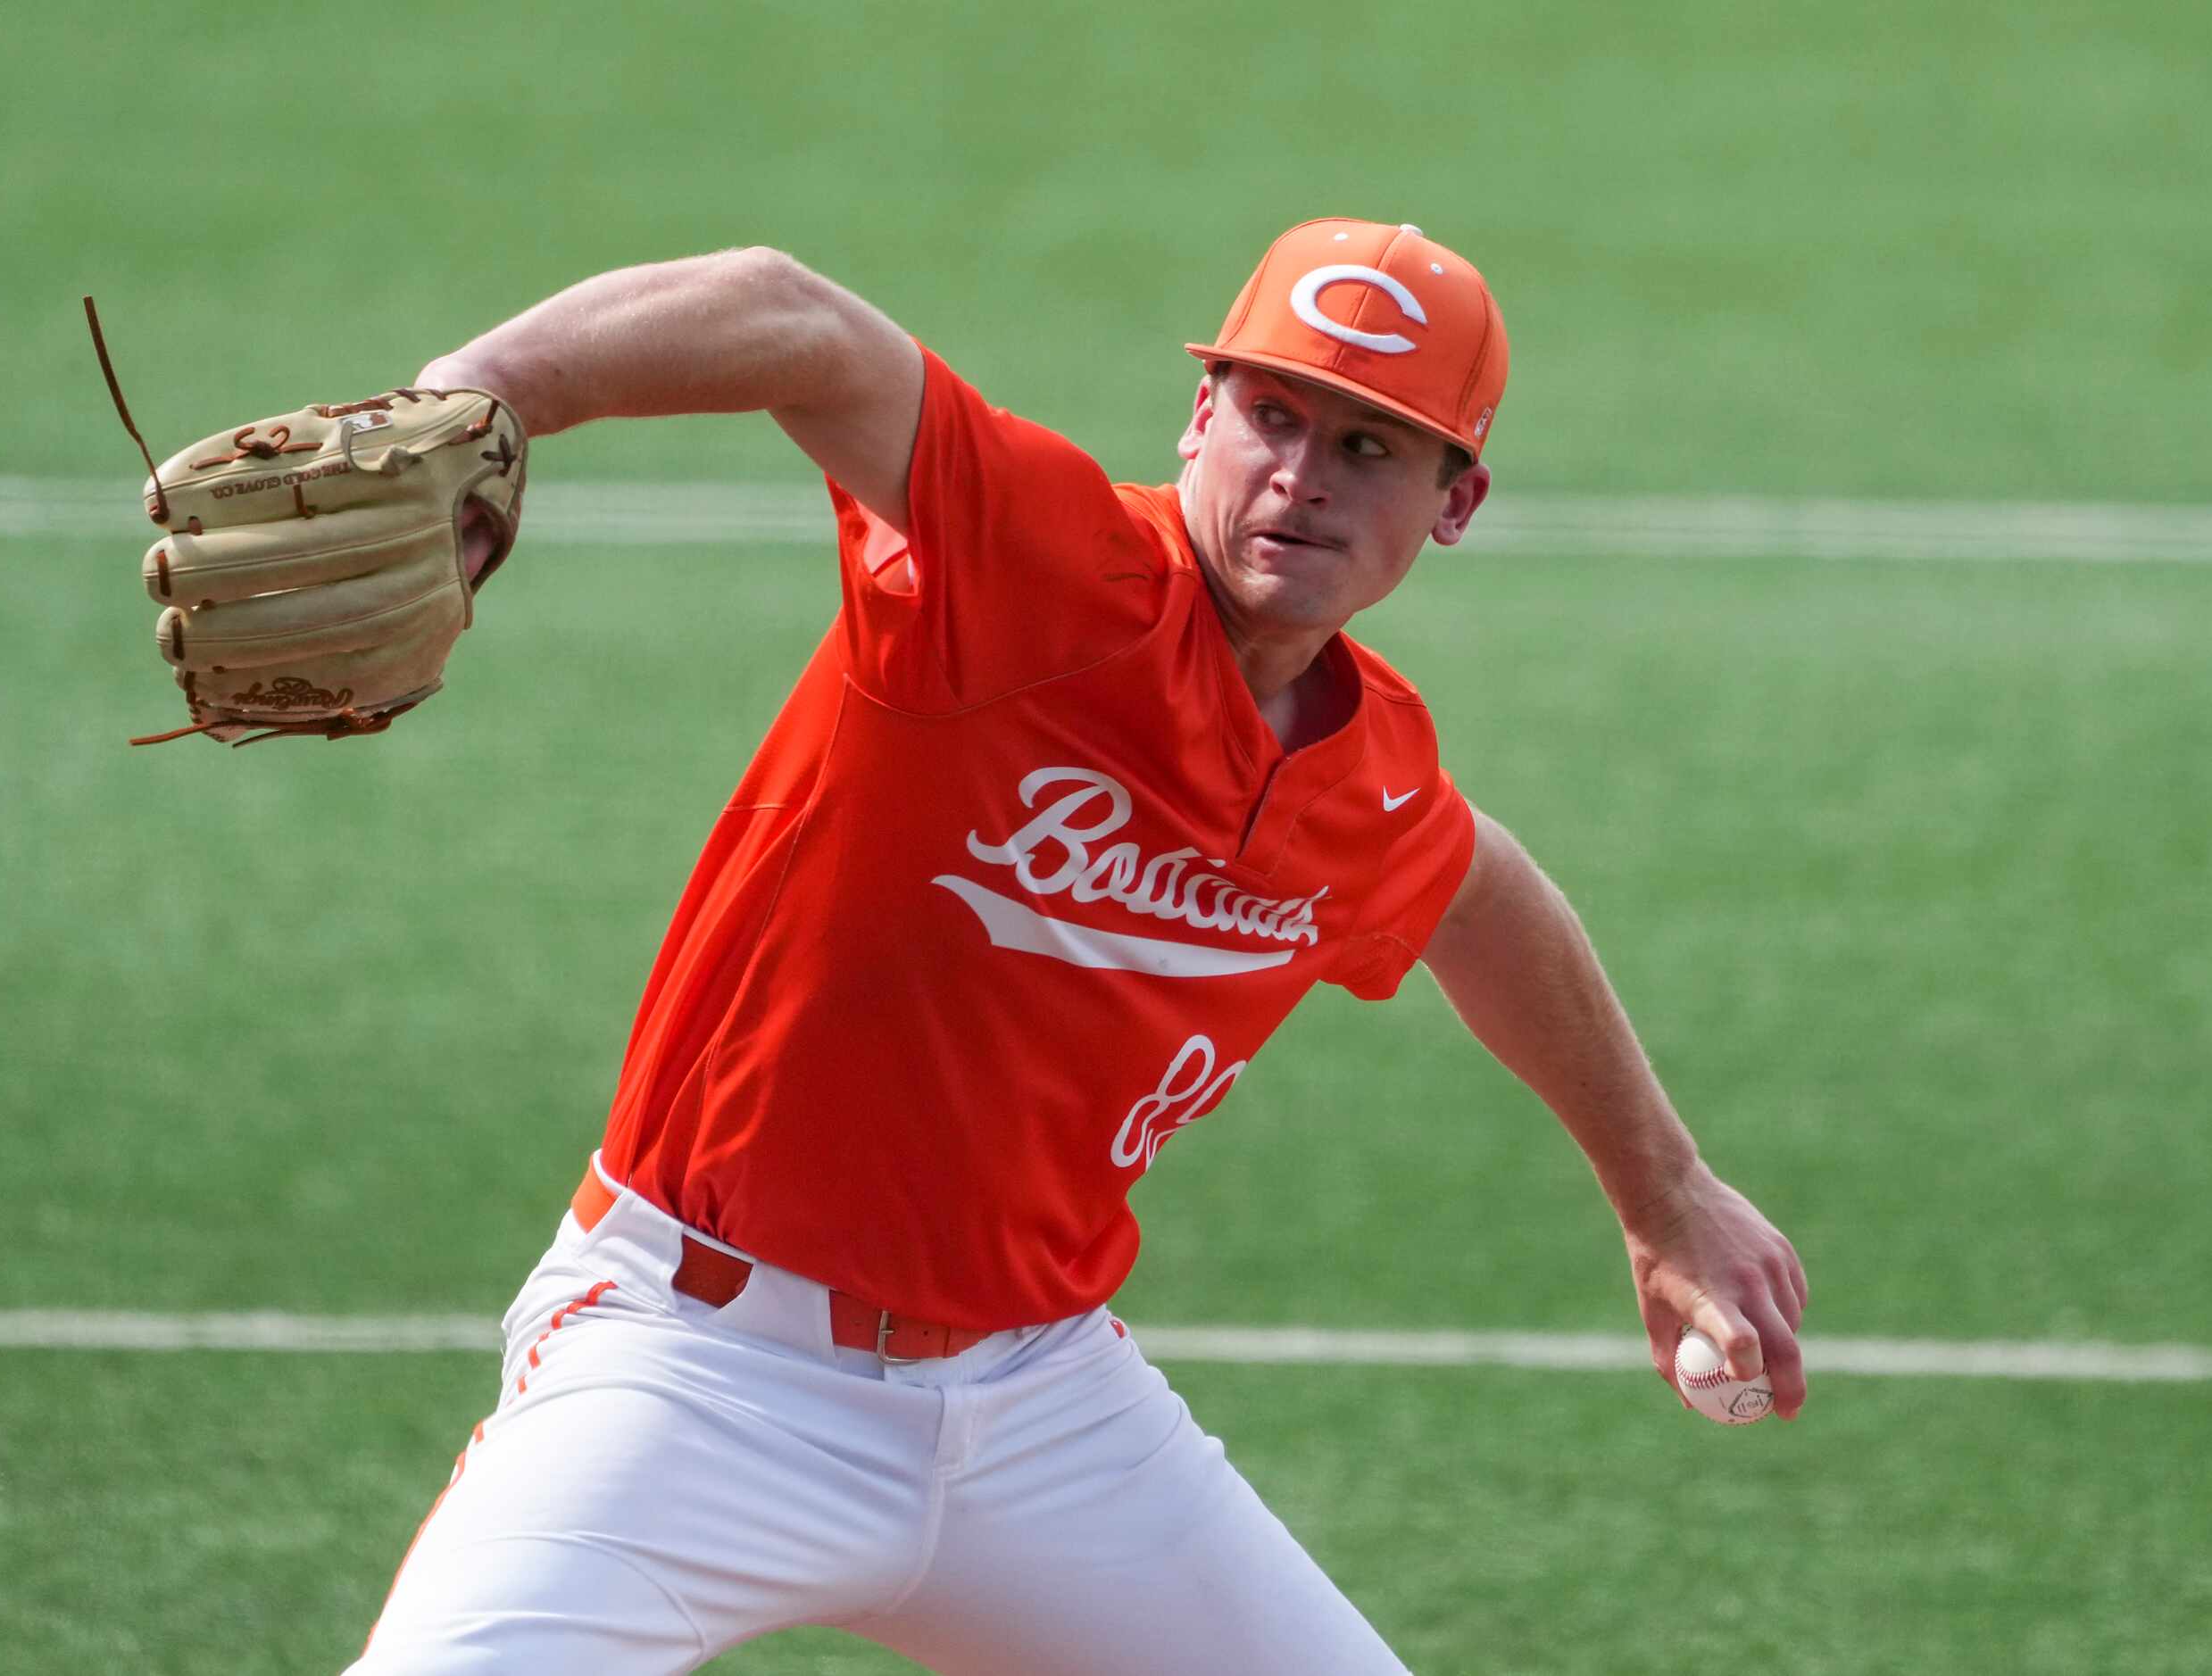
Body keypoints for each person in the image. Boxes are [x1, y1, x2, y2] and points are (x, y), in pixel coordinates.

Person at [348, 219, 1809, 1674]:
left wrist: (1662, 1188)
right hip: (696, 1365)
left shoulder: (1366, 773)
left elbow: (1476, 893)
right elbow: (782, 313)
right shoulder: (1045, 569)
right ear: (1199, 419)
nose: (1299, 479)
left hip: (1036, 1406)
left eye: (1369, 448)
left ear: (1455, 498)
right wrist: (468, 398)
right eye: (1273, 416)